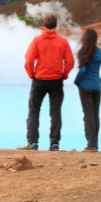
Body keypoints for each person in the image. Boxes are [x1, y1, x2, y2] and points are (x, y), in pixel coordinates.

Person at [24, 14, 74, 151]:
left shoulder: (36, 41)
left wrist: (31, 75)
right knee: (55, 112)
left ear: (44, 25)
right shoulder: (63, 42)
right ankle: (54, 144)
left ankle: (33, 143)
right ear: (56, 26)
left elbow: (28, 60)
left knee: (34, 111)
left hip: (39, 80)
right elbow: (70, 62)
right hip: (56, 81)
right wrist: (64, 75)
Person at [74, 28, 101, 152]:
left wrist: (76, 82)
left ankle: (91, 145)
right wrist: (100, 80)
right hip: (97, 87)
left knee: (88, 115)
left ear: (85, 39)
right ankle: (95, 144)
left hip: (85, 87)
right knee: (95, 114)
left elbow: (83, 71)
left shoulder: (82, 52)